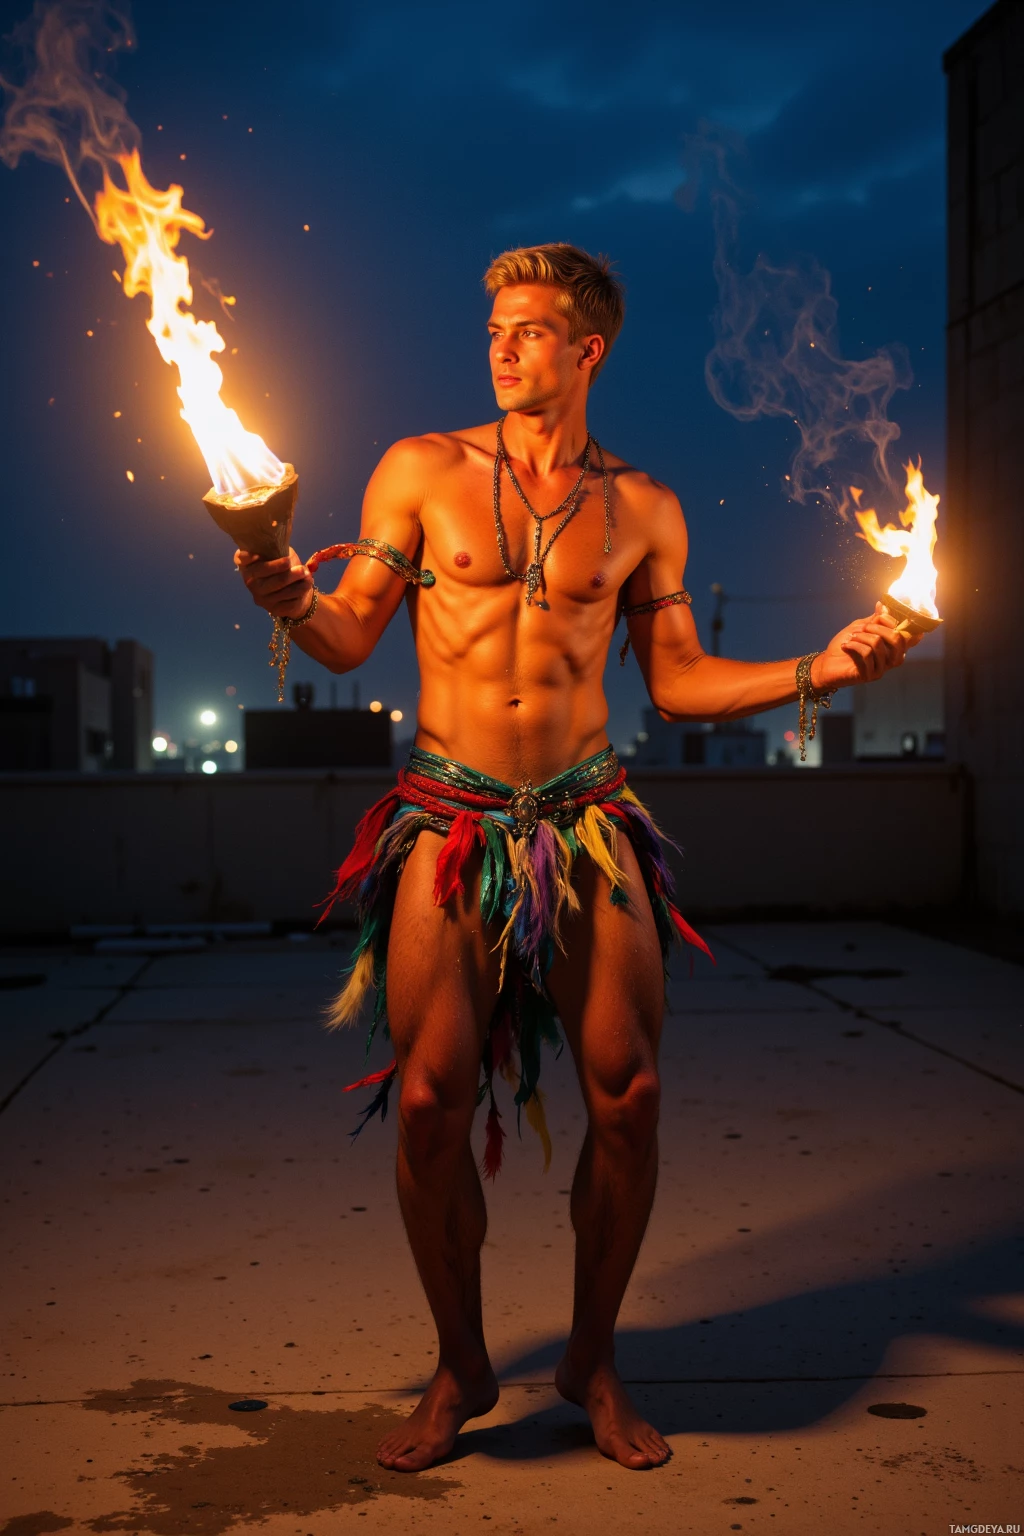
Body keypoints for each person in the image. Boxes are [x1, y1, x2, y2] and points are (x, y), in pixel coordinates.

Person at [237, 243, 914, 1473]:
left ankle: (591, 1360)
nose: (502, 346)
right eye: (494, 327)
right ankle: (460, 1365)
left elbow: (680, 680)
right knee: (429, 1104)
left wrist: (818, 668)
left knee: (630, 1095)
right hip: (449, 815)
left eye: (531, 329)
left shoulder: (644, 506)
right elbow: (345, 638)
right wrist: (285, 595)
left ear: (586, 349)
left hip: (587, 816)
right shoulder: (420, 469)